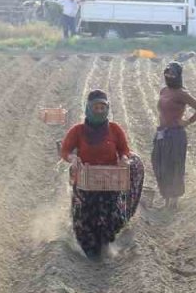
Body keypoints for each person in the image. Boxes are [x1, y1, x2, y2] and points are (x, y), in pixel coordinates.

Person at [59, 89, 145, 259]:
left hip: (109, 179)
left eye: (102, 108)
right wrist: (73, 158)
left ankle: (105, 247)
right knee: (84, 217)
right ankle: (88, 251)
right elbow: (65, 150)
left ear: (107, 109)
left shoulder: (114, 129)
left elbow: (124, 150)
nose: (99, 111)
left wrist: (123, 159)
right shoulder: (78, 131)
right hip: (86, 180)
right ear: (88, 108)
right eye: (95, 107)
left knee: (110, 215)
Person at [153, 61, 196, 210]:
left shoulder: (182, 93)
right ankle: (166, 197)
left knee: (174, 167)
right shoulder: (164, 90)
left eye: (172, 73)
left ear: (178, 75)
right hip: (162, 133)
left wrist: (187, 122)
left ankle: (173, 201)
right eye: (167, 73)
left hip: (175, 135)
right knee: (159, 165)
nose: (169, 76)